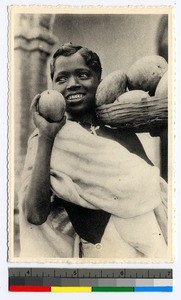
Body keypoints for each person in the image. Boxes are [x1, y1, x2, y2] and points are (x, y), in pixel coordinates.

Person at [19, 43, 168, 259]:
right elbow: (34, 213)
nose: (72, 84)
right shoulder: (46, 139)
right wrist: (47, 135)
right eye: (61, 78)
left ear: (99, 80)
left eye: (82, 74)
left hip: (143, 253)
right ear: (51, 86)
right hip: (93, 256)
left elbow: (154, 193)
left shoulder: (120, 133)